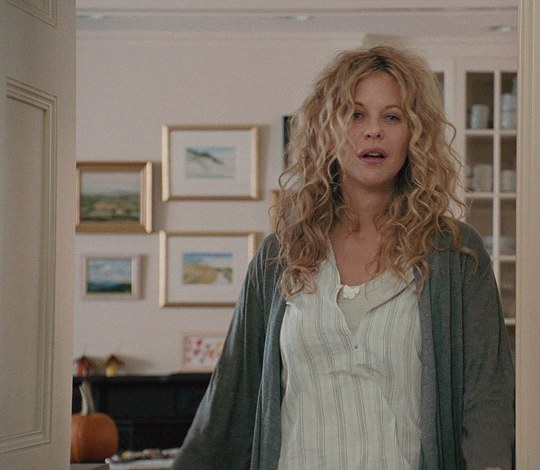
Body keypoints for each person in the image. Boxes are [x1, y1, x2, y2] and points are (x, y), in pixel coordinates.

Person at [172, 45, 515, 470]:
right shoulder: (280, 256)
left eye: (392, 117)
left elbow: (486, 398)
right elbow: (229, 404)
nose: (373, 132)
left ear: (415, 134)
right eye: (355, 115)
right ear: (327, 130)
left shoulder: (455, 253)